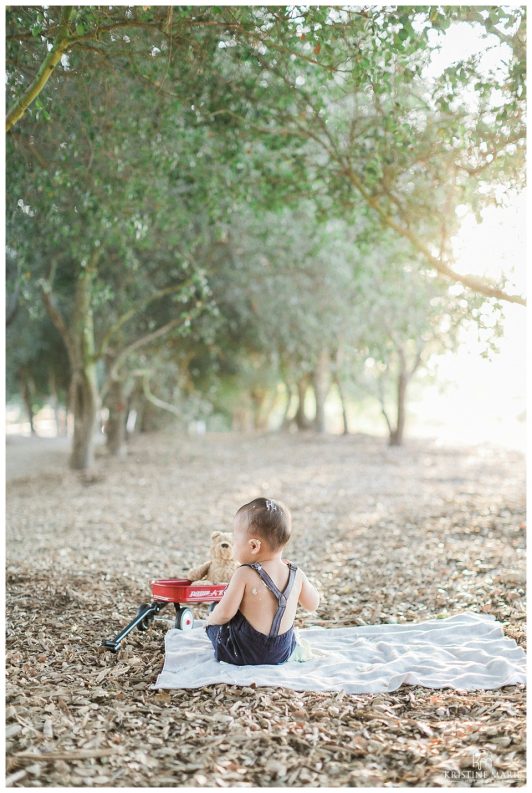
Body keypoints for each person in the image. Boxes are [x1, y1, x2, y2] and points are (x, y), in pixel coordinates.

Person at [205, 496, 320, 665]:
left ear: (253, 546)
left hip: (242, 653)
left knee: (215, 612)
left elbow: (225, 614)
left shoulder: (244, 573)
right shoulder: (296, 573)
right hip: (281, 652)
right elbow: (313, 605)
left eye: (235, 541)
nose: (234, 546)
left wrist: (209, 623)